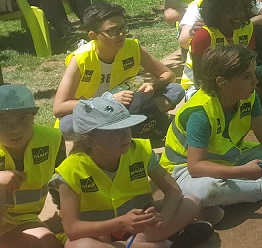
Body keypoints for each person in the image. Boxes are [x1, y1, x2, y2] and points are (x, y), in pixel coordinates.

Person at [160, 45, 262, 222]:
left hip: (229, 156)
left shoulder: (249, 96)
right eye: (246, 76)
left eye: (254, 73)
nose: (256, 81)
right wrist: (243, 171)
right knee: (209, 190)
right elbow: (196, 167)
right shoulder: (199, 113)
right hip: (184, 169)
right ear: (222, 83)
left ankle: (240, 189)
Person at [56, 93, 213, 248]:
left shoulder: (140, 149)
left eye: (127, 126)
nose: (125, 135)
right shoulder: (70, 170)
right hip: (99, 232)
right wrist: (121, 223)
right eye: (114, 131)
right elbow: (72, 229)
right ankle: (165, 242)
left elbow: (174, 191)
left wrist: (162, 218)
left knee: (191, 202)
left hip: (140, 226)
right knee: (78, 245)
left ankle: (142, 243)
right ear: (90, 140)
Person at [54, 3, 184, 140]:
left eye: (123, 28)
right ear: (93, 35)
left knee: (175, 90)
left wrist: (152, 85)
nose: (121, 34)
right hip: (95, 111)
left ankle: (120, 129)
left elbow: (168, 75)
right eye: (112, 31)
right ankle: (143, 120)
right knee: (67, 124)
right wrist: (107, 101)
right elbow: (59, 107)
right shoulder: (80, 59)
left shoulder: (132, 47)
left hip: (128, 104)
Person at [0, 84, 64, 248]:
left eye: (22, 118)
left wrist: (66, 216)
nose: (14, 129)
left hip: (20, 221)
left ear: (33, 117)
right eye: (2, 121)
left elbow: (64, 181)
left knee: (48, 243)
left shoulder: (51, 139)